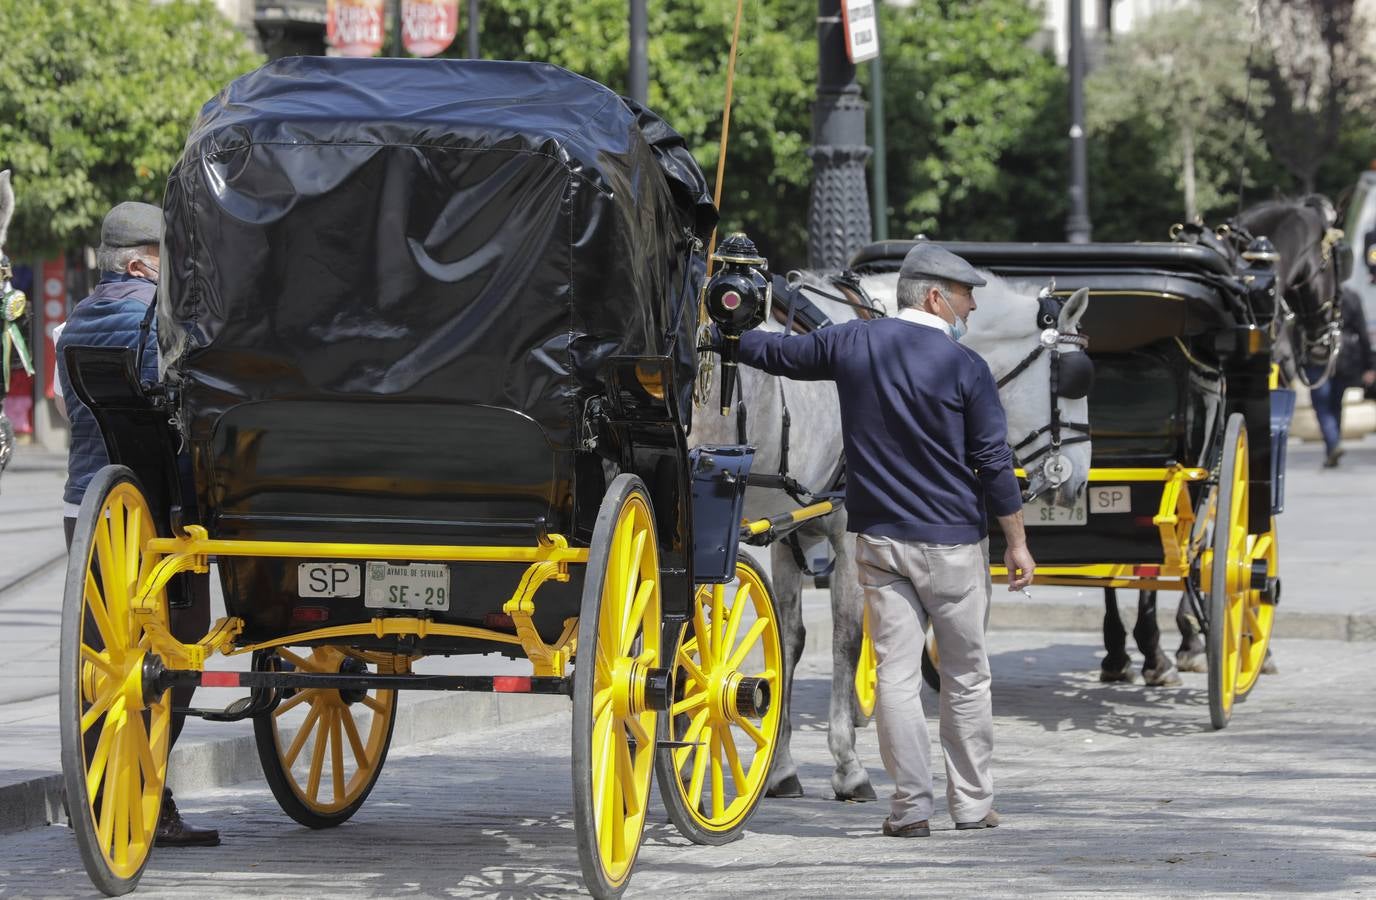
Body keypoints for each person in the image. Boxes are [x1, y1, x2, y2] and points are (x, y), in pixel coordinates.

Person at [731, 242, 1035, 837]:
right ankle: (971, 805)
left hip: (879, 542)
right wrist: (1017, 542)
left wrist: (726, 331)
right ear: (933, 295)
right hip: (952, 545)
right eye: (965, 295)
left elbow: (778, 354)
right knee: (967, 675)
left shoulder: (853, 343)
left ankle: (910, 808)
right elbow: (994, 460)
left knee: (894, 676)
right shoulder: (965, 367)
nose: (970, 308)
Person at [56, 201, 220, 847]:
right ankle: (144, 792)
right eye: (166, 257)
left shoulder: (72, 325)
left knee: (105, 669)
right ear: (137, 262)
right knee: (179, 651)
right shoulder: (157, 325)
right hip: (152, 520)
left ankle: (97, 795)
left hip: (87, 513)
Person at [1308, 285, 1376, 468]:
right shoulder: (1351, 295)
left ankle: (1333, 443)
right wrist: (1369, 365)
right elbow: (1362, 332)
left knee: (1323, 405)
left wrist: (1370, 365)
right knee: (1334, 404)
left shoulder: (1315, 294)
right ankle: (1333, 444)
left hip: (1320, 355)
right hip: (1344, 356)